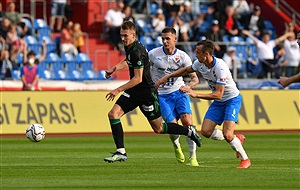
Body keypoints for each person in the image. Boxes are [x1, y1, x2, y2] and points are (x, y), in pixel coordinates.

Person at [103, 21, 201, 163]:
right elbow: (129, 61)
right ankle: (121, 151)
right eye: (121, 36)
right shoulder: (132, 47)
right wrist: (115, 68)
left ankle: (189, 131)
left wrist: (117, 89)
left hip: (146, 94)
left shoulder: (137, 51)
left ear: (133, 35)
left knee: (159, 128)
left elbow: (137, 78)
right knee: (113, 114)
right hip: (133, 92)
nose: (122, 39)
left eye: (125, 36)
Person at [155, 40, 251, 168]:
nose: (196, 55)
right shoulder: (200, 64)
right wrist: (167, 77)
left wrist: (196, 94)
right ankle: (236, 139)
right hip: (219, 102)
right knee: (206, 131)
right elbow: (185, 70)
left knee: (227, 134)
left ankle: (245, 160)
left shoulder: (220, 67)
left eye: (198, 53)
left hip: (231, 100)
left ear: (206, 54)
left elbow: (219, 94)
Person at [149, 27, 199, 166]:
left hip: (179, 93)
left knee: (188, 123)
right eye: (163, 39)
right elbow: (143, 70)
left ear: (175, 39)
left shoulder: (183, 57)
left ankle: (193, 157)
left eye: (168, 39)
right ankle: (177, 145)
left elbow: (195, 79)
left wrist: (190, 87)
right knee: (172, 126)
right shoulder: (153, 54)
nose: (165, 42)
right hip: (163, 96)